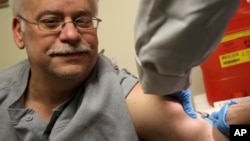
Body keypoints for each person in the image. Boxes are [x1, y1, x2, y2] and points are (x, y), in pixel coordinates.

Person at [0, 0, 249, 141]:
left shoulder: (125, 97)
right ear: (19, 31)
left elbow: (208, 137)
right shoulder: (4, 90)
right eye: (51, 21)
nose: (71, 34)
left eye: (83, 20)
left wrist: (234, 124)